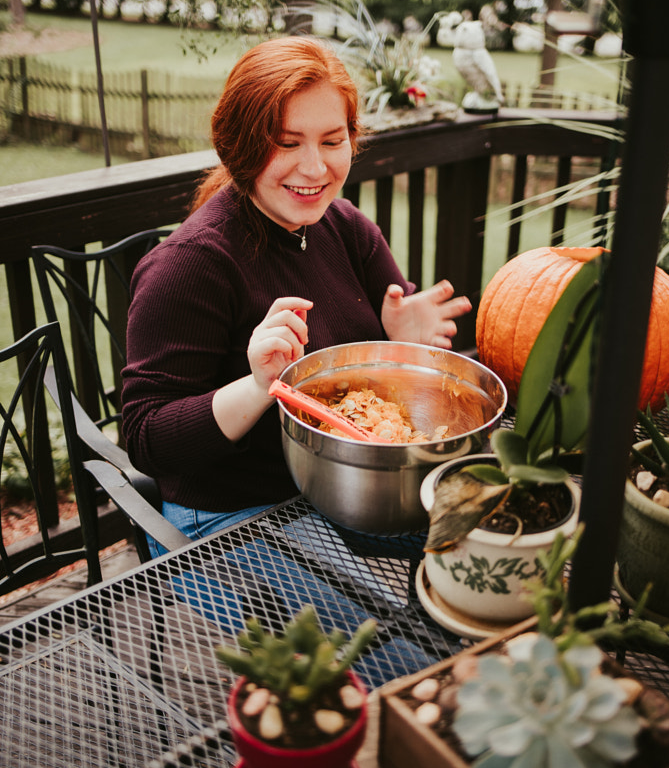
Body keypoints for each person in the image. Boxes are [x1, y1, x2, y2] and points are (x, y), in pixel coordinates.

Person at [121, 36, 471, 555]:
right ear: (238, 145)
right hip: (229, 512)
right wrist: (262, 385)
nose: (315, 168)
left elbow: (380, 383)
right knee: (385, 637)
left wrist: (401, 346)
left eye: (333, 141)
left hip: (339, 482)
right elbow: (147, 439)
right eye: (287, 143)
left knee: (480, 551)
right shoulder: (191, 265)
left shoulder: (347, 229)